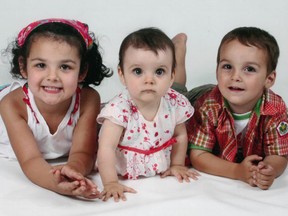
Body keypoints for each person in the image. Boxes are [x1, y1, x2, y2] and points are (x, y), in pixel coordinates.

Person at [0, 18, 112, 199]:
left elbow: (84, 152)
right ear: (24, 67)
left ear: (82, 71)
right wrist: (55, 183)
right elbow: (30, 160)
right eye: (41, 65)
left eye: (65, 67)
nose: (52, 77)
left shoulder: (88, 99)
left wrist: (73, 171)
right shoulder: (11, 105)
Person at [96, 27, 199, 202]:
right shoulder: (118, 111)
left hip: (168, 92)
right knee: (178, 86)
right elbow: (106, 148)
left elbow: (180, 134)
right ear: (122, 74)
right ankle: (176, 51)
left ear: (170, 75)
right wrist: (110, 182)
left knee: (179, 87)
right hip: (154, 97)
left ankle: (177, 52)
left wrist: (177, 164)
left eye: (159, 71)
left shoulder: (174, 103)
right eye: (138, 71)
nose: (149, 80)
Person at [183, 27, 288, 190]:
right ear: (216, 69)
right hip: (196, 97)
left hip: (224, 92)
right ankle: (178, 53)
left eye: (249, 69)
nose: (235, 77)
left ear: (269, 78)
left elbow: (278, 154)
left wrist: (268, 170)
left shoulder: (275, 108)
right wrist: (237, 171)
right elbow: (198, 156)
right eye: (227, 66)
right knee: (170, 93)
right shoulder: (207, 107)